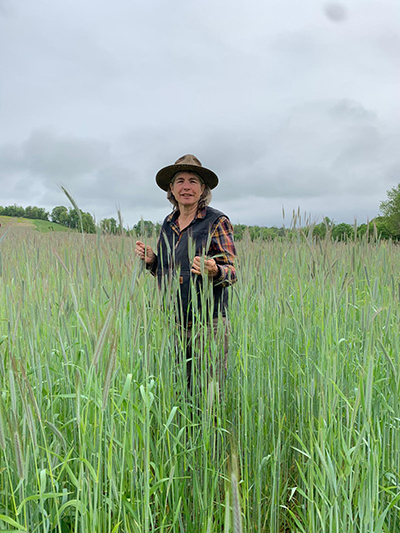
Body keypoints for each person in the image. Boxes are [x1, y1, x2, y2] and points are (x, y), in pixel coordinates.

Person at [135, 154, 237, 391]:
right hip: (175, 324)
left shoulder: (217, 221)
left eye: (193, 181)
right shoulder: (168, 223)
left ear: (203, 189)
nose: (186, 187)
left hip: (208, 325)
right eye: (180, 181)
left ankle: (208, 430)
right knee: (180, 391)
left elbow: (232, 272)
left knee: (208, 394)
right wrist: (153, 262)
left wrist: (214, 270)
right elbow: (169, 272)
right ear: (171, 189)